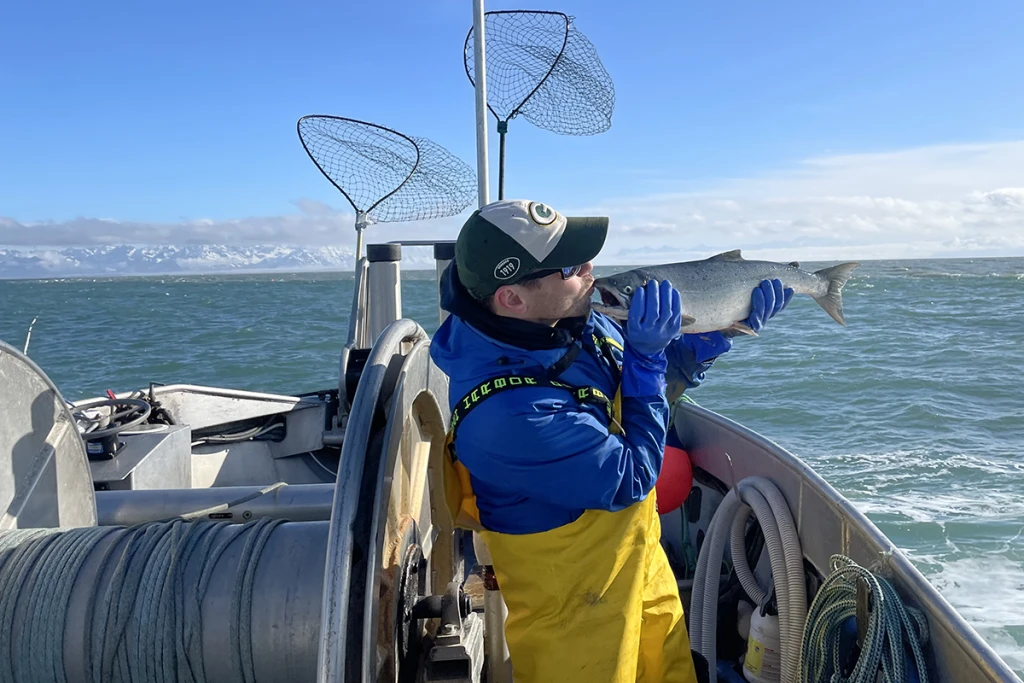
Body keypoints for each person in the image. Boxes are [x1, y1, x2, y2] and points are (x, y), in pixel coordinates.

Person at [429, 199, 791, 683]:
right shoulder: (506, 416)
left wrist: (714, 333)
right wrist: (646, 362)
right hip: (576, 625)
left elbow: (654, 372)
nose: (591, 271)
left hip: (639, 570)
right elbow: (633, 477)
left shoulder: (566, 320)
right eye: (572, 267)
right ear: (513, 297)